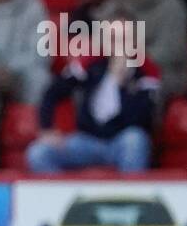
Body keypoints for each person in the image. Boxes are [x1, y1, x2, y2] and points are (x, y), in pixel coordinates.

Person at [26, 44, 158, 173]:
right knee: (39, 153)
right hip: (87, 141)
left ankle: (128, 194)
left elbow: (144, 121)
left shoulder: (144, 71)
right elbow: (52, 92)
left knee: (135, 140)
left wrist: (120, 84)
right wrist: (46, 128)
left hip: (121, 142)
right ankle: (67, 194)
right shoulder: (92, 63)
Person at [93, 0, 187, 98]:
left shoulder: (171, 5)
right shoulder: (113, 3)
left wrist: (130, 61)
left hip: (164, 73)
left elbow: (171, 51)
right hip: (118, 68)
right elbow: (98, 41)